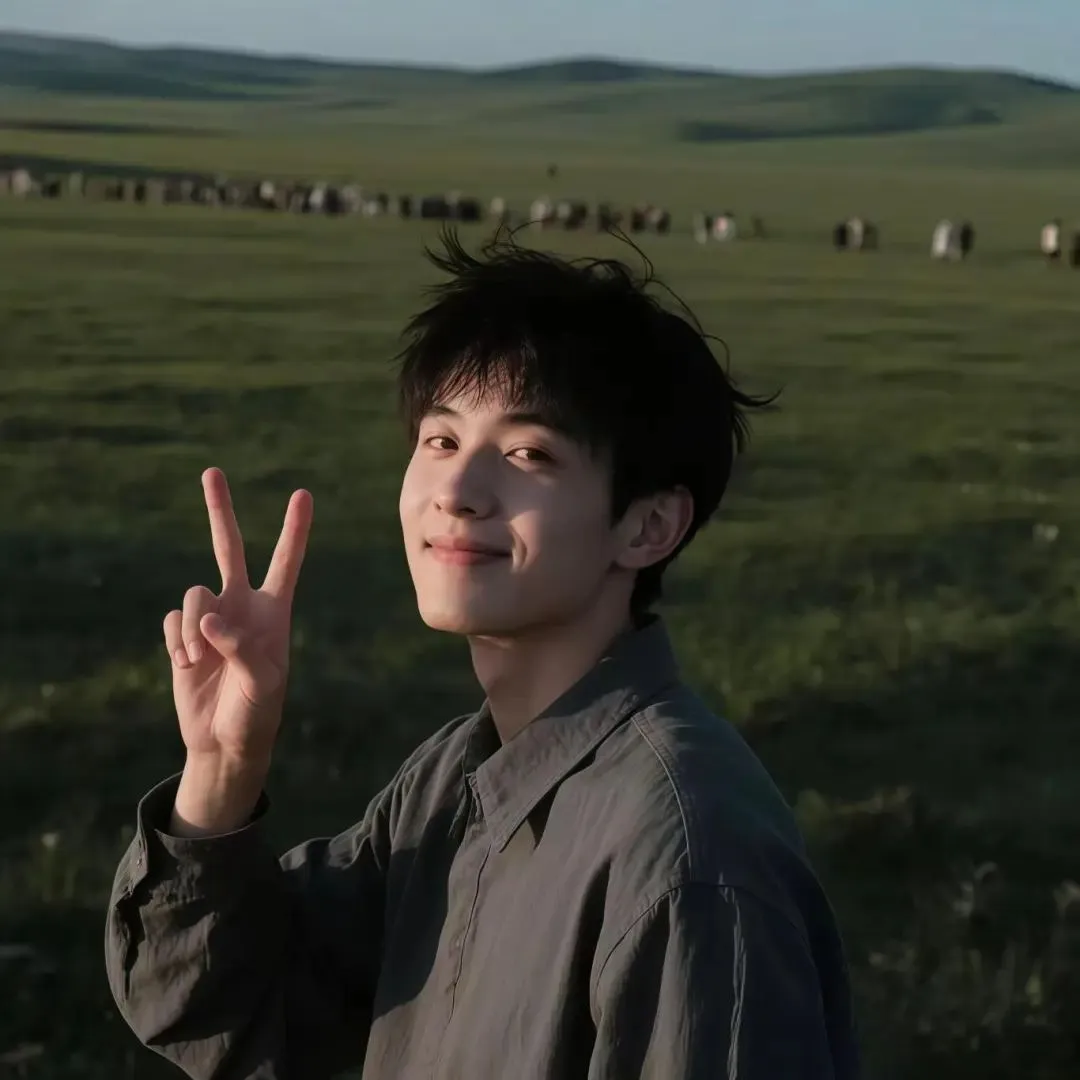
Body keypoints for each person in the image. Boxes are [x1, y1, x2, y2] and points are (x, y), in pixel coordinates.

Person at [105, 228, 860, 1079]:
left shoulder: (688, 858)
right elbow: (217, 1007)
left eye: (528, 453)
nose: (457, 493)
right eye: (441, 440)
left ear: (649, 526)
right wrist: (222, 769)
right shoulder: (453, 780)